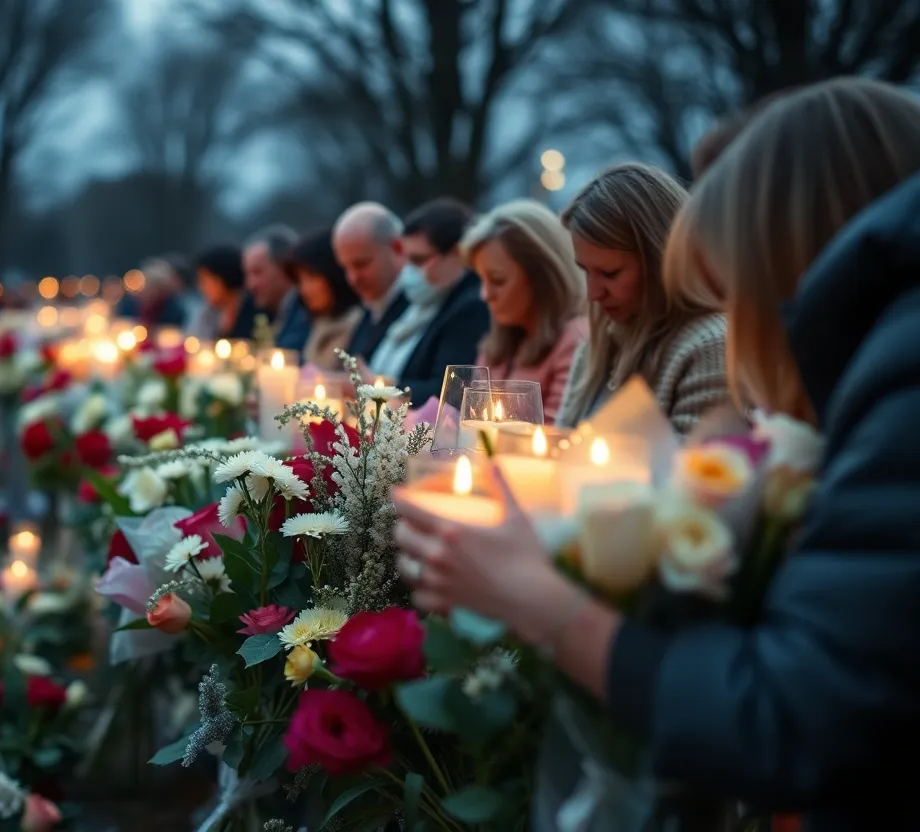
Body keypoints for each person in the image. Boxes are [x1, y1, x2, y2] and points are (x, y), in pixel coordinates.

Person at [392, 77, 920, 829]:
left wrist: (538, 596)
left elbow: (799, 710)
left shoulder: (879, 368)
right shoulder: (870, 354)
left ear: (790, 256)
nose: (743, 322)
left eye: (741, 287)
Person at [555, 163, 729, 434]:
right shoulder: (597, 345)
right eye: (585, 271)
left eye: (610, 273)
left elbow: (696, 471)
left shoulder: (710, 347)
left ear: (663, 259)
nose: (593, 294)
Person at [460, 200, 588, 422]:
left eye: (497, 281)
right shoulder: (497, 343)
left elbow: (554, 437)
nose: (485, 295)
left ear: (543, 278)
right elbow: (467, 423)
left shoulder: (576, 342)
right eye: (482, 280)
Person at [369, 198, 490, 406]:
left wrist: (377, 388)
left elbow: (449, 392)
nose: (408, 271)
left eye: (419, 260)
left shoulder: (472, 307)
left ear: (457, 254)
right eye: (406, 259)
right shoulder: (414, 299)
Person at [332, 202, 410, 362]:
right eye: (345, 268)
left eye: (361, 264)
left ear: (397, 248)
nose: (353, 279)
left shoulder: (418, 304)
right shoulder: (371, 309)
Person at [282, 230, 364, 371]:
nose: (304, 289)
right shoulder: (317, 323)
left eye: (312, 277)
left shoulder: (359, 325)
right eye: (300, 280)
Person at [243, 225, 311, 351]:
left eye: (257, 272)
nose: (250, 285)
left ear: (284, 267)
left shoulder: (305, 312)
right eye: (247, 274)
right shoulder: (279, 311)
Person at [189, 244, 259, 341]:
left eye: (204, 281)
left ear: (224, 278)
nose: (201, 288)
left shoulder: (256, 313)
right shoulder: (210, 314)